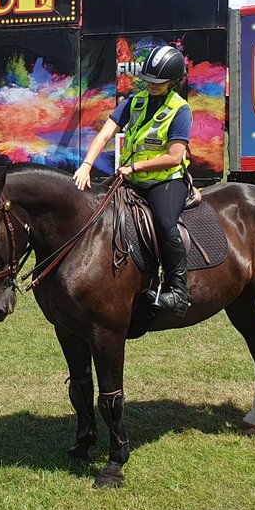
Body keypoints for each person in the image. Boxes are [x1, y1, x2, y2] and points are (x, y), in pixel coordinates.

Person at [73, 44, 193, 316]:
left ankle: (178, 291)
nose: (151, 86)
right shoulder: (133, 102)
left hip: (166, 181)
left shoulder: (180, 110)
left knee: (164, 224)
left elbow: (175, 156)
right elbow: (104, 135)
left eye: (158, 82)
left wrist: (135, 166)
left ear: (173, 82)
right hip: (132, 179)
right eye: (148, 80)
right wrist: (86, 165)